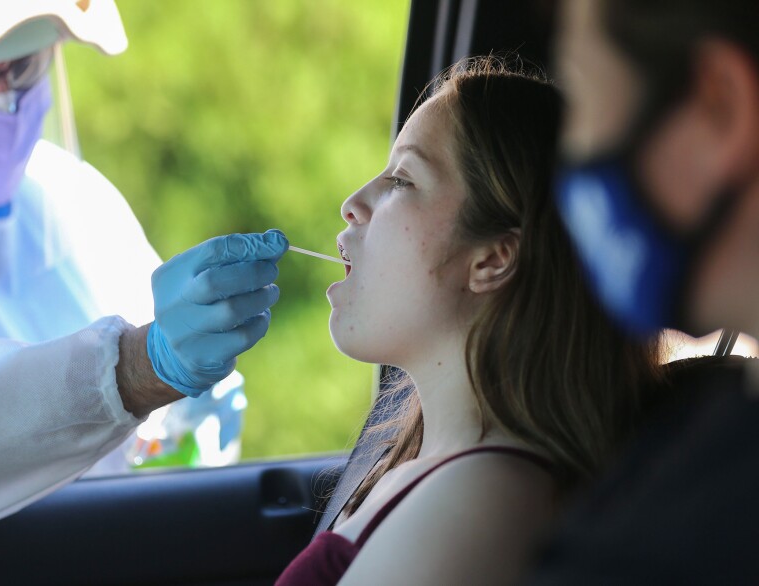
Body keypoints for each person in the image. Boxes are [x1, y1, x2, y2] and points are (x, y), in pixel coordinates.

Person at [0, 0, 288, 531]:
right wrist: (136, 370)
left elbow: (172, 439)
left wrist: (180, 431)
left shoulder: (66, 195)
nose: (4, 99)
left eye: (23, 67)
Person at [275, 57, 660, 585]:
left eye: (403, 179)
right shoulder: (421, 464)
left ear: (493, 260)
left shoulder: (485, 498)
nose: (352, 205)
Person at [522, 0, 759, 583]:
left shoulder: (675, 541)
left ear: (719, 104)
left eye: (576, 100)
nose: (566, 161)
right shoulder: (703, 422)